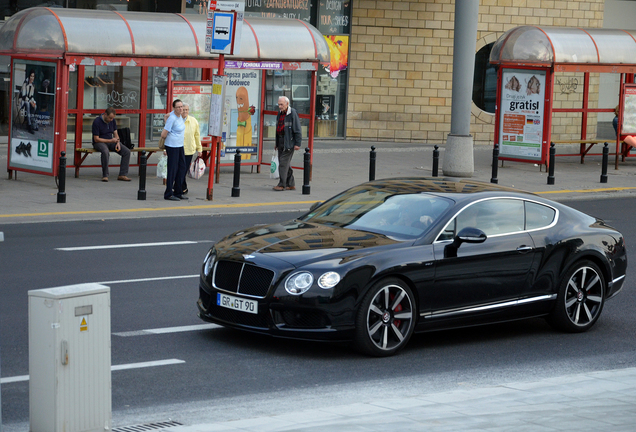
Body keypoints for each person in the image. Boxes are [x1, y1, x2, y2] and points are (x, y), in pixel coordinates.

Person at [92, 107, 131, 182]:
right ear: (105, 114)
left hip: (111, 141)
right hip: (99, 142)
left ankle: (122, 174)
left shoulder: (112, 121)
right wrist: (110, 140)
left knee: (126, 151)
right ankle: (105, 175)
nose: (111, 120)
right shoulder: (97, 121)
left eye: (112, 118)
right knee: (105, 151)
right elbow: (96, 139)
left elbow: (116, 133)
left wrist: (118, 142)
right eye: (110, 118)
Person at [273, 96, 302, 191]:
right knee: (285, 164)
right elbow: (278, 129)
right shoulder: (279, 113)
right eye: (279, 104)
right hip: (281, 140)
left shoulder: (292, 113)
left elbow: (297, 129)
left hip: (289, 142)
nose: (280, 106)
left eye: (281, 104)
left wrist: (298, 143)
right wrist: (277, 143)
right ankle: (291, 184)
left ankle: (282, 184)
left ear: (287, 104)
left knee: (283, 164)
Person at [161, 99, 187, 201]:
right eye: (178, 107)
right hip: (172, 146)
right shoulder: (172, 118)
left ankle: (178, 191)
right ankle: (168, 193)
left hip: (180, 145)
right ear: (174, 108)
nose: (181, 109)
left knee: (182, 167)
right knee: (172, 169)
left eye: (181, 106)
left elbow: (166, 115)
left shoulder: (179, 116)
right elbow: (163, 134)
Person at [181, 103, 201, 194]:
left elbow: (197, 135)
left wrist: (199, 149)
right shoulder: (177, 120)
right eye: (183, 109)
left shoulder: (193, 121)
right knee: (179, 170)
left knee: (183, 170)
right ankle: (182, 188)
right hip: (178, 149)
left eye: (187, 110)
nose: (185, 111)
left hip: (189, 150)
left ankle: (180, 188)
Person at [20, 69, 38, 134]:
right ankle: (29, 125)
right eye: (31, 76)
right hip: (23, 101)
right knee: (27, 104)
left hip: (29, 101)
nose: (32, 78)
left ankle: (30, 121)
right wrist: (30, 102)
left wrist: (34, 102)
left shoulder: (33, 85)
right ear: (29, 76)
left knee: (35, 106)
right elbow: (24, 96)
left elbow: (31, 96)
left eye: (33, 76)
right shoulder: (25, 83)